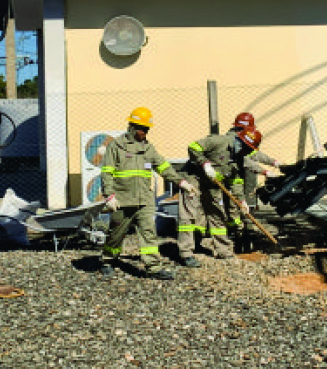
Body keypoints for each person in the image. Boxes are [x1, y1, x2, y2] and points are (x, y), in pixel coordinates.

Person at [98, 107, 193, 279]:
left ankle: (153, 267)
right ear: (132, 127)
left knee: (149, 233)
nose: (145, 132)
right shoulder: (116, 146)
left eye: (147, 129)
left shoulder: (148, 148)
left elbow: (163, 167)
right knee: (116, 234)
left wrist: (181, 182)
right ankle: (108, 260)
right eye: (142, 128)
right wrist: (109, 195)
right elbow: (107, 172)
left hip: (144, 200)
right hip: (122, 200)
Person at [179, 125, 258, 262]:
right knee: (189, 214)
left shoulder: (238, 157)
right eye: (247, 149)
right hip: (193, 177)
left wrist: (241, 201)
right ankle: (186, 253)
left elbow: (234, 181)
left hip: (212, 182)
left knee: (217, 213)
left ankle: (223, 250)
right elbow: (193, 147)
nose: (247, 153)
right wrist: (205, 164)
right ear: (240, 142)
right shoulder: (219, 141)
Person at [229, 112, 283, 251]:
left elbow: (255, 154)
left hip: (248, 178)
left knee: (249, 207)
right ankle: (238, 237)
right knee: (235, 208)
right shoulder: (233, 140)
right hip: (236, 177)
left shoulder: (245, 138)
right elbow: (245, 160)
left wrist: (273, 162)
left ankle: (248, 236)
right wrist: (264, 171)